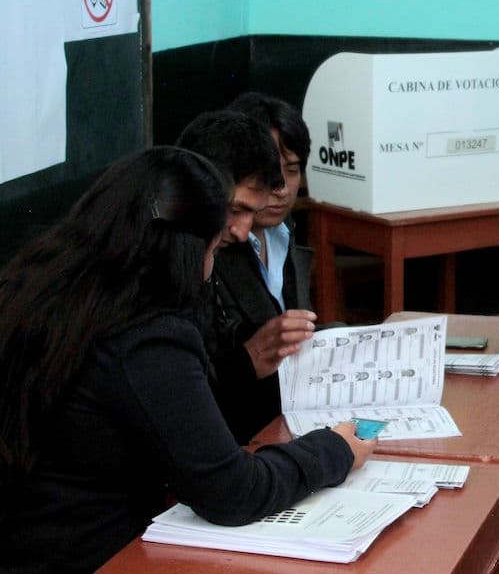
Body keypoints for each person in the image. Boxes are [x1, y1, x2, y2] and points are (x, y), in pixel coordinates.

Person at [0, 147, 374, 574]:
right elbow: (233, 491)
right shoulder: (148, 339)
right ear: (187, 253)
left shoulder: (35, 289)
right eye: (213, 251)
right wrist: (333, 450)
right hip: (99, 554)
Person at [209, 92, 322, 443]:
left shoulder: (285, 233)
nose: (282, 188)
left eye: (292, 170)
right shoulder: (212, 248)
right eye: (271, 171)